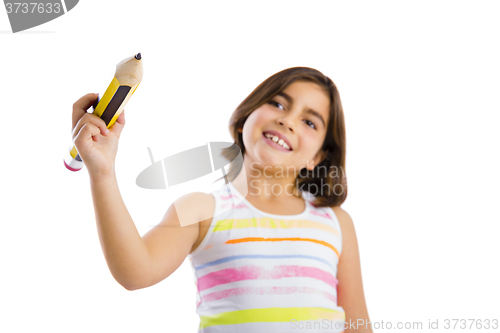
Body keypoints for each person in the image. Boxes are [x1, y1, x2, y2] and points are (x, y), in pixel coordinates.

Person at [71, 67, 373, 333]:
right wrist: (103, 173)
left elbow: (358, 325)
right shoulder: (201, 210)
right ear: (245, 119)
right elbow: (135, 272)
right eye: (278, 103)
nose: (288, 121)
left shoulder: (335, 222)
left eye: (310, 122)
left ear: (318, 157)